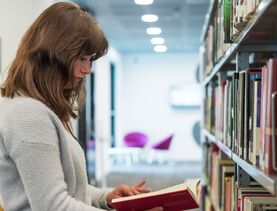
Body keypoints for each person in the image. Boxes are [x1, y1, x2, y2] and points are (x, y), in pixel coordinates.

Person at [0, 2, 162, 211]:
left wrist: (106, 197)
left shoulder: (37, 109)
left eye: (90, 60)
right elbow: (54, 206)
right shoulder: (29, 115)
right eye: (82, 59)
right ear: (53, 56)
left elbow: (65, 188)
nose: (87, 69)